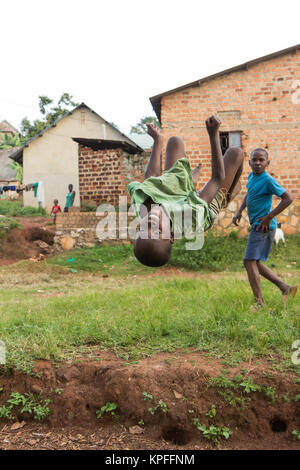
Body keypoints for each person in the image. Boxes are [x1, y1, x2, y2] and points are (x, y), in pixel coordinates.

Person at [127, 115, 244, 267]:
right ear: (171, 236)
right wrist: (213, 134)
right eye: (157, 231)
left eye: (143, 229)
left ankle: (189, 186)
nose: (150, 223)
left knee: (175, 142)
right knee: (236, 154)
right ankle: (227, 194)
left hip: (173, 195)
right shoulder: (191, 216)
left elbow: (152, 179)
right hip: (204, 207)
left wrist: (157, 141)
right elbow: (217, 178)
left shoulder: (143, 209)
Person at [232, 148, 297, 305]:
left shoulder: (268, 180)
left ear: (267, 163)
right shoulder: (252, 176)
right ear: (249, 163)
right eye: (255, 160)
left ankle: (259, 302)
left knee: (249, 261)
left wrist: (269, 216)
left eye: (261, 160)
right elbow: (250, 193)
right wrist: (239, 211)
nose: (258, 163)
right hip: (259, 225)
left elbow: (288, 198)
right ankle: (285, 287)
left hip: (263, 226)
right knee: (255, 263)